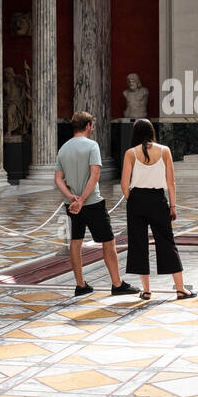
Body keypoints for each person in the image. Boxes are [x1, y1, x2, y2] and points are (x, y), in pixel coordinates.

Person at [55, 111, 136, 298]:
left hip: (71, 204)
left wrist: (71, 197)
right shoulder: (92, 146)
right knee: (108, 242)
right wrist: (82, 199)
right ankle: (117, 284)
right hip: (91, 202)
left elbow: (58, 179)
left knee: (75, 242)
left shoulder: (63, 148)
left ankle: (80, 284)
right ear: (88, 126)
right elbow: (95, 175)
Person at [120, 118, 195, 301]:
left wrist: (134, 200)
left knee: (139, 244)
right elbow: (171, 182)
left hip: (137, 199)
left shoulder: (130, 153)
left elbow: (124, 184)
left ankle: (146, 291)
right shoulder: (164, 151)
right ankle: (180, 289)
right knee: (167, 243)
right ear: (152, 131)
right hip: (158, 200)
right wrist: (173, 206)